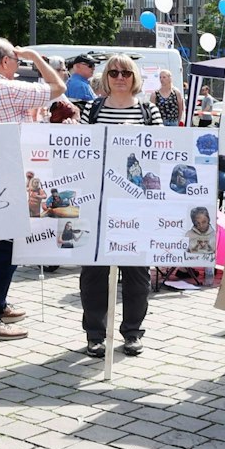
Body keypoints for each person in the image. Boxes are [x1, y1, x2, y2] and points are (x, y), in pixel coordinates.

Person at [0, 37, 67, 341]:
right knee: (6, 249)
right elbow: (59, 87)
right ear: (7, 61)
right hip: (13, 173)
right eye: (16, 60)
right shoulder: (9, 88)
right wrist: (36, 57)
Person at [80, 53, 160, 356]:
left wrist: (137, 137)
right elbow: (83, 147)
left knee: (137, 270)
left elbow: (163, 150)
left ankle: (132, 332)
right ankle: (95, 334)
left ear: (134, 77)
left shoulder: (147, 109)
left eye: (126, 73)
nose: (120, 78)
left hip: (135, 201)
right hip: (99, 199)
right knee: (95, 271)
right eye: (113, 73)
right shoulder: (93, 107)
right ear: (106, 77)